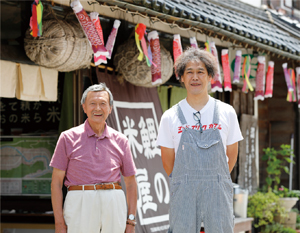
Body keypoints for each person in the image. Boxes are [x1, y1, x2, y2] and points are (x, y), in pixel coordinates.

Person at [156, 47, 243, 233]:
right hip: (183, 191)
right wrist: (186, 179)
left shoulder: (227, 112)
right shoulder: (170, 116)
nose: (195, 77)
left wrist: (214, 178)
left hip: (218, 191)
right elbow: (167, 162)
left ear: (210, 76)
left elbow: (232, 155)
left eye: (200, 72)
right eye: (189, 72)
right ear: (181, 77)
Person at [50, 83, 137, 233]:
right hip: (80, 202)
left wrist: (131, 221)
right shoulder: (67, 138)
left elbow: (130, 183)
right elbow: (56, 182)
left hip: (114, 202)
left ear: (110, 108)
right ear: (84, 107)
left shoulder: (121, 140)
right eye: (92, 104)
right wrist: (59, 223)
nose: (98, 108)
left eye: (103, 104)